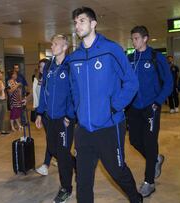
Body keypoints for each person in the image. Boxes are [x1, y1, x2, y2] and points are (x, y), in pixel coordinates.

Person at [68, 7, 142, 203]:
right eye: (75, 22)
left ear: (93, 24)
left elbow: (132, 82)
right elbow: (74, 88)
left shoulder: (111, 50)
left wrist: (114, 106)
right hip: (83, 129)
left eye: (82, 21)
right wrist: (78, 109)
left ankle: (136, 198)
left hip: (110, 125)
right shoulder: (73, 57)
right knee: (83, 180)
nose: (77, 26)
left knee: (117, 171)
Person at [127, 25, 173, 198]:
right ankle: (155, 159)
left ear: (145, 38)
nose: (134, 41)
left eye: (137, 38)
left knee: (150, 142)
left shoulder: (156, 57)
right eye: (132, 38)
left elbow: (168, 82)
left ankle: (149, 182)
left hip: (151, 106)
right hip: (134, 108)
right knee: (134, 141)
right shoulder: (130, 58)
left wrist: (157, 102)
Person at [35, 34, 76, 203]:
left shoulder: (70, 66)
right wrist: (39, 112)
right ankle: (77, 164)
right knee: (53, 149)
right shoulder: (49, 66)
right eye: (52, 44)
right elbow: (44, 91)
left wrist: (69, 115)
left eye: (56, 44)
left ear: (65, 47)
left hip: (64, 119)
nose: (52, 47)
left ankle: (66, 188)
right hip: (49, 117)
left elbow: (75, 94)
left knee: (63, 153)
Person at [34, 58, 56, 176]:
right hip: (43, 114)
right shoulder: (40, 80)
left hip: (52, 114)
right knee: (52, 140)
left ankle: (46, 165)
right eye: (40, 67)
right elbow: (37, 96)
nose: (41, 69)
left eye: (44, 67)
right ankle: (56, 159)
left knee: (51, 140)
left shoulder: (51, 80)